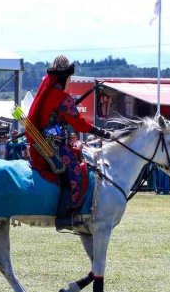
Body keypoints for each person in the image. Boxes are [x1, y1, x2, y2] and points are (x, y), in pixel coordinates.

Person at [26, 55, 110, 231]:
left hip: (43, 142)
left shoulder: (48, 94)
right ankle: (64, 216)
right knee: (75, 172)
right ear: (65, 77)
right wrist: (101, 132)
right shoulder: (61, 98)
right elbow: (79, 123)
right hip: (53, 145)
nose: (70, 81)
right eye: (70, 78)